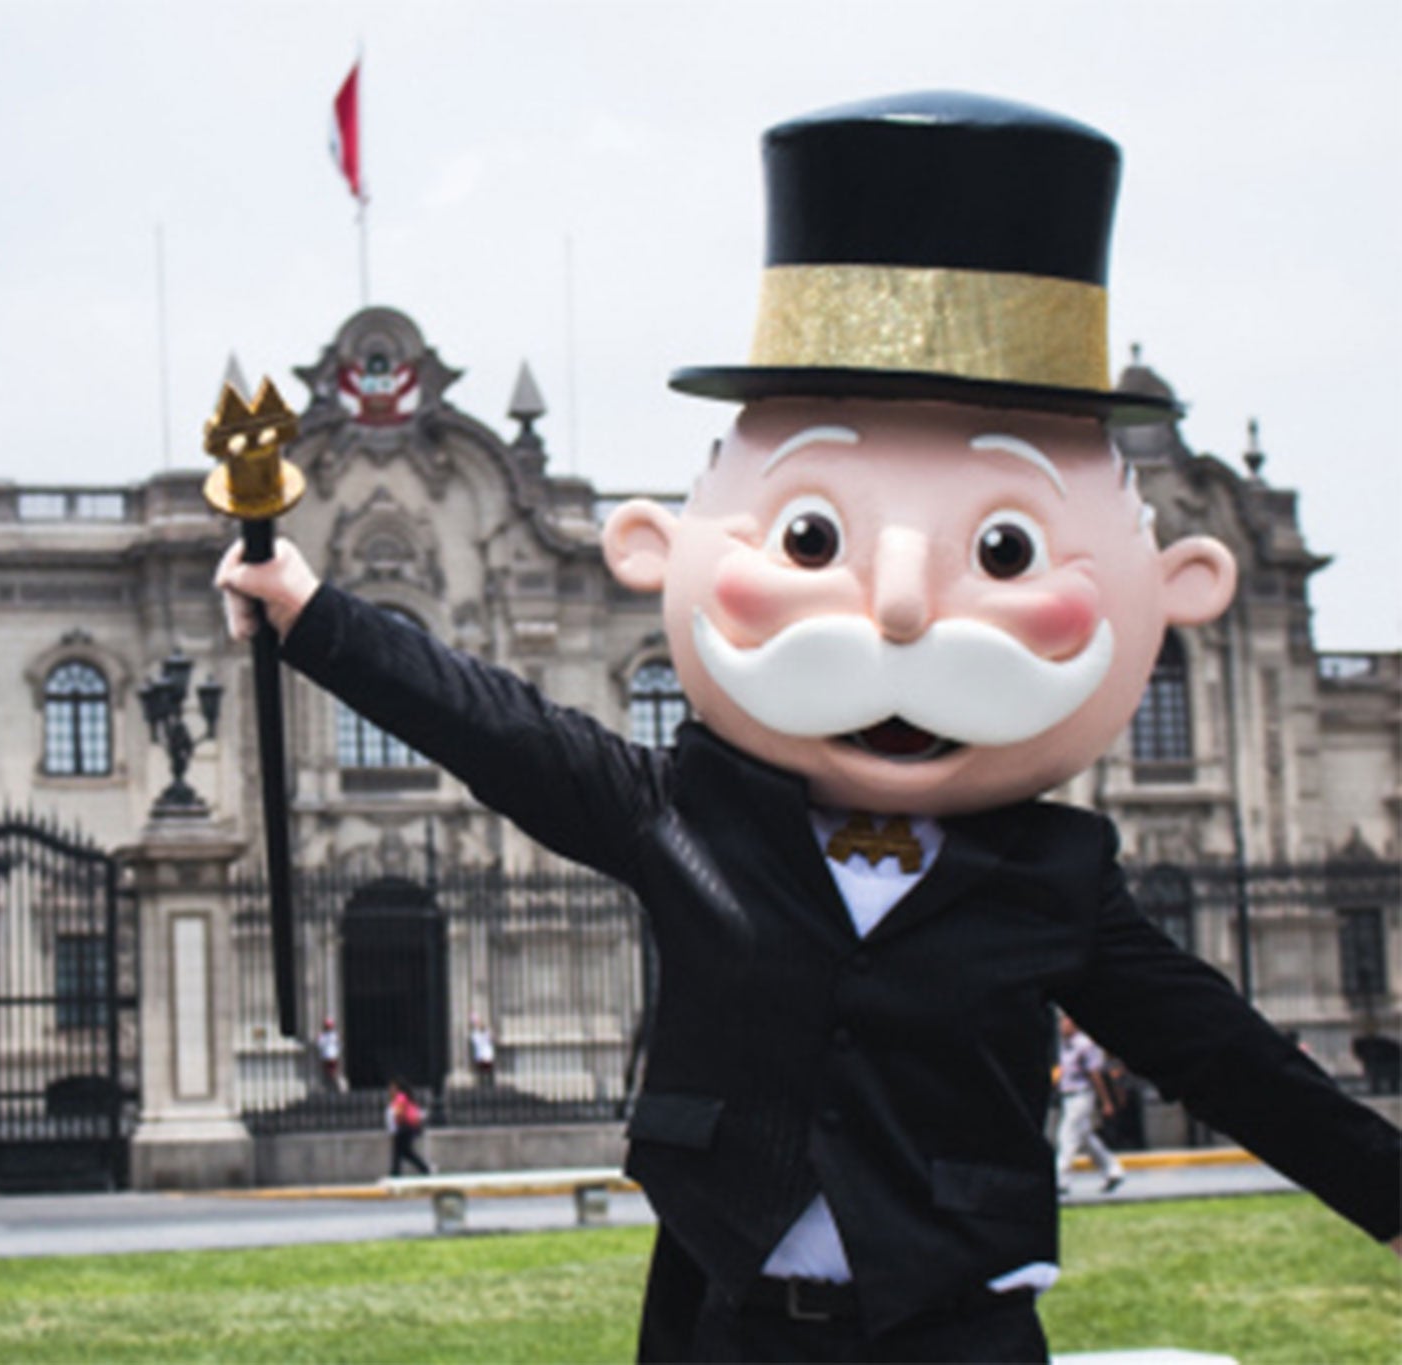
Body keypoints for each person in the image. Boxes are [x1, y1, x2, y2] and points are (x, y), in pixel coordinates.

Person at [221, 92, 1402, 1362]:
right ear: (651, 549)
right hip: (727, 1329)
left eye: (997, 552)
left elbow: (1224, 1054)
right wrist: (312, 613)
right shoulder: (684, 815)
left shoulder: (1048, 878)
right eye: (817, 541)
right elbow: (497, 728)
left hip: (952, 1333)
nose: (896, 609)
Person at [1053, 1013, 1124, 1196]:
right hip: (1067, 1096)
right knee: (1085, 1138)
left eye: (1065, 1021)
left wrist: (1105, 1101)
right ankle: (1113, 1170)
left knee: (1067, 1135)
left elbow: (1095, 1075)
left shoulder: (1084, 1045)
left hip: (1082, 1095)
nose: (1062, 1025)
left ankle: (1060, 1180)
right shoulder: (1063, 1044)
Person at [385, 1079, 431, 1177]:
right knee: (405, 1151)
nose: (390, 1089)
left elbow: (399, 1112)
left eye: (392, 1087)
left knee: (400, 1151)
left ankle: (396, 1173)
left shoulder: (400, 1097)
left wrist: (394, 1115)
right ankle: (423, 1168)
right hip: (407, 1127)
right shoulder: (404, 1097)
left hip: (404, 1127)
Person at [316, 1016, 345, 1092]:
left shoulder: (333, 1035)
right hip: (328, 1056)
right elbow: (320, 1045)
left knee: (331, 1072)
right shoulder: (325, 1036)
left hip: (331, 1056)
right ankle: (331, 1085)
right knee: (329, 1072)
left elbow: (339, 1045)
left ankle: (334, 1085)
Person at [469, 1013, 497, 1086]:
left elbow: (492, 1038)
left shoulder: (487, 1030)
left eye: (478, 1022)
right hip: (480, 1056)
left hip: (488, 1055)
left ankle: (490, 1086)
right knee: (481, 1074)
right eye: (476, 1022)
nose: (478, 1023)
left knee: (489, 1072)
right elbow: (475, 1042)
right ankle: (482, 1086)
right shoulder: (474, 1033)